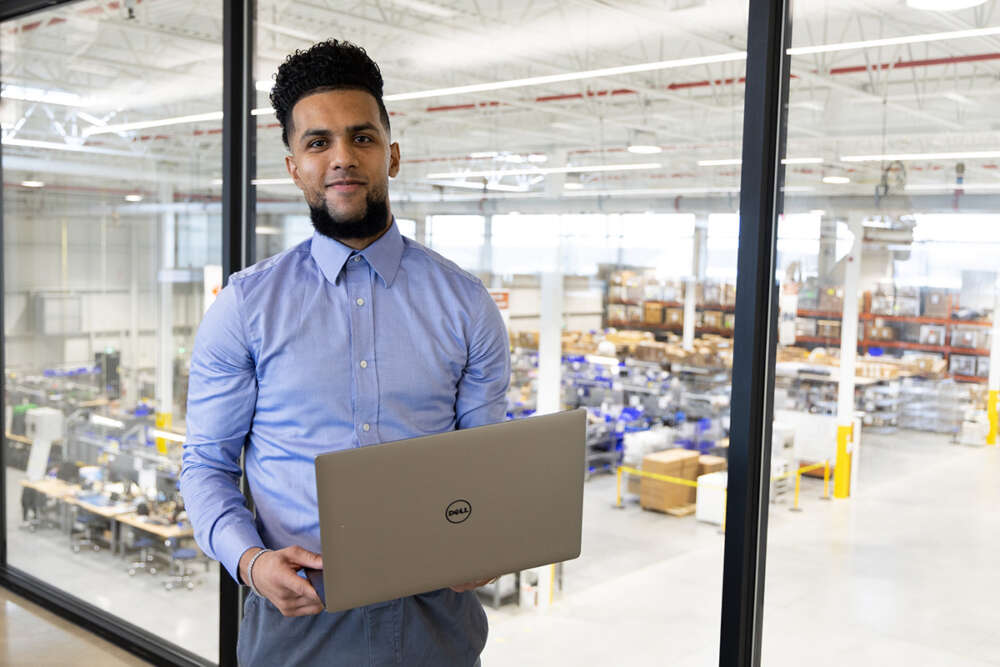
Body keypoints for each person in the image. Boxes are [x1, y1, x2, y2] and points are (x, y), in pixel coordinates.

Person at [179, 39, 510, 666]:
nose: (342, 159)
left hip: (436, 622)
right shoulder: (245, 308)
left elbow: (483, 464)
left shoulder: (467, 305)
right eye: (317, 142)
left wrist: (486, 539)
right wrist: (250, 562)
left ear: (393, 153)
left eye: (362, 137)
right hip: (299, 622)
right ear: (293, 167)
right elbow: (205, 465)